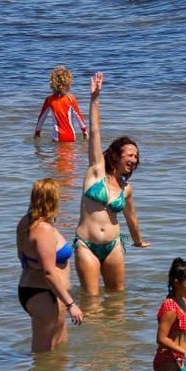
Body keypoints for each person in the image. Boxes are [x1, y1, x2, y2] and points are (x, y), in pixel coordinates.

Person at [73, 72, 150, 295]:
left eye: (136, 157)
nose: (134, 160)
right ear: (115, 155)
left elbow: (131, 218)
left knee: (117, 301)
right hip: (86, 244)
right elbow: (95, 132)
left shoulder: (126, 189)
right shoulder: (96, 171)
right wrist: (95, 99)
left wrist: (138, 241)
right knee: (92, 301)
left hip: (114, 245)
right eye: (130, 155)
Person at [17, 178, 84, 353]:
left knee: (59, 352)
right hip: (43, 293)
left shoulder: (25, 222)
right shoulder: (43, 229)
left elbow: (22, 257)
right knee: (43, 355)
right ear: (52, 199)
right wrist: (71, 304)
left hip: (42, 291)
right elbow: (48, 271)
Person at [34, 66, 88, 143]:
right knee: (70, 155)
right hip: (71, 137)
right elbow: (78, 116)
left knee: (59, 154)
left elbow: (42, 118)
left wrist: (37, 132)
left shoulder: (49, 100)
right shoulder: (71, 98)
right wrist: (84, 131)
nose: (70, 86)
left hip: (57, 138)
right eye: (69, 84)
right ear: (65, 85)